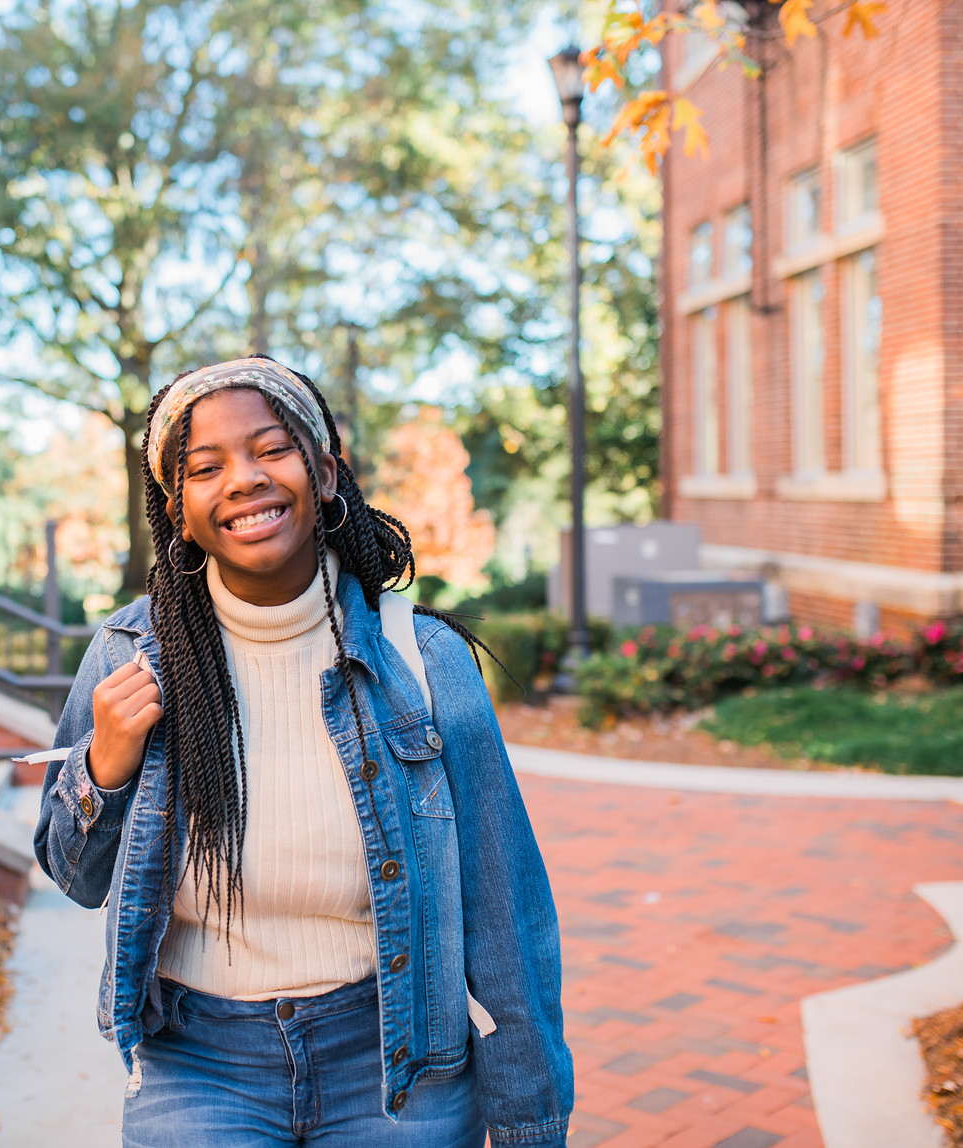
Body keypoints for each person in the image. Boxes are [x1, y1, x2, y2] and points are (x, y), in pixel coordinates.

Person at [34, 356, 571, 1147]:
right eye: (206, 467)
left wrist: (529, 1123)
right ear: (178, 511)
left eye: (271, 450)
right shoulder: (127, 656)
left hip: (397, 1060)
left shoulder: (422, 662)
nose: (244, 480)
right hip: (199, 1061)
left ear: (324, 473)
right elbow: (72, 876)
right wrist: (103, 766)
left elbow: (504, 909)